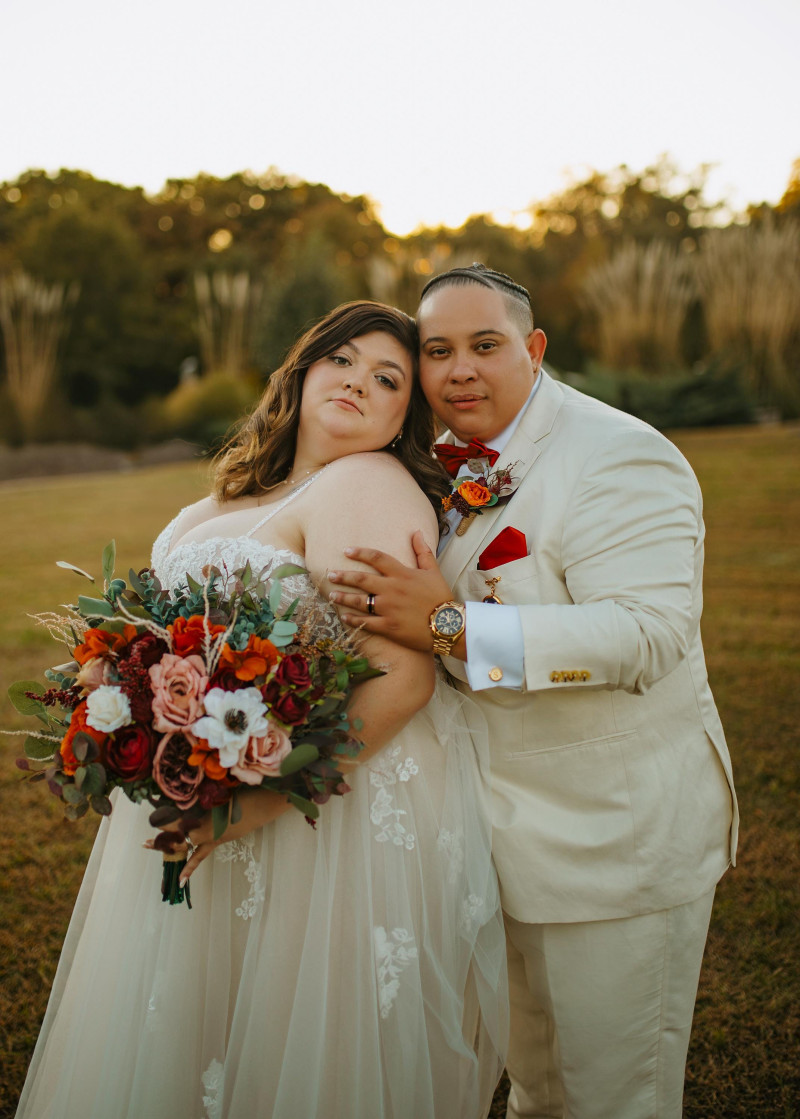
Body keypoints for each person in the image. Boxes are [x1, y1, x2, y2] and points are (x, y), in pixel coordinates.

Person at [15, 301, 508, 1119]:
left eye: (387, 378)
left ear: (401, 417)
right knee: (194, 1030)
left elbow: (402, 677)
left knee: (293, 1037)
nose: (357, 382)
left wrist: (256, 801)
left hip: (316, 823)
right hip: (202, 796)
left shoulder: (368, 483)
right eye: (341, 360)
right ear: (303, 369)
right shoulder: (211, 507)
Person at [328, 265, 739, 1119]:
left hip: (612, 842)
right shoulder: (437, 462)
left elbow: (646, 634)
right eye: (437, 350)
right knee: (535, 1092)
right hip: (489, 844)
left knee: (615, 1099)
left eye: (485, 345)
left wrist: (451, 629)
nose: (458, 370)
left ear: (535, 347)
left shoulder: (619, 454)